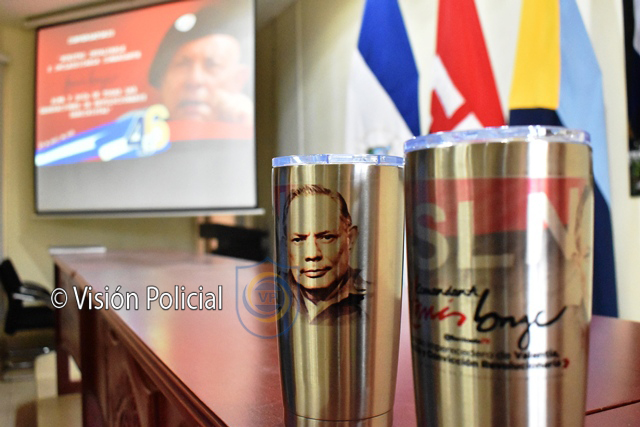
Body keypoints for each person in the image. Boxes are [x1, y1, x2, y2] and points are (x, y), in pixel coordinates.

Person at [148, 2, 253, 125]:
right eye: (182, 65)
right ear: (162, 79)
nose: (194, 80)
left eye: (212, 65)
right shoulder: (135, 128)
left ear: (239, 79)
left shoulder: (252, 123)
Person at [284, 184, 367, 323]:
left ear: (350, 239)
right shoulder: (275, 295)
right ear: (286, 245)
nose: (312, 254)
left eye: (326, 238)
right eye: (298, 240)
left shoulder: (376, 296)